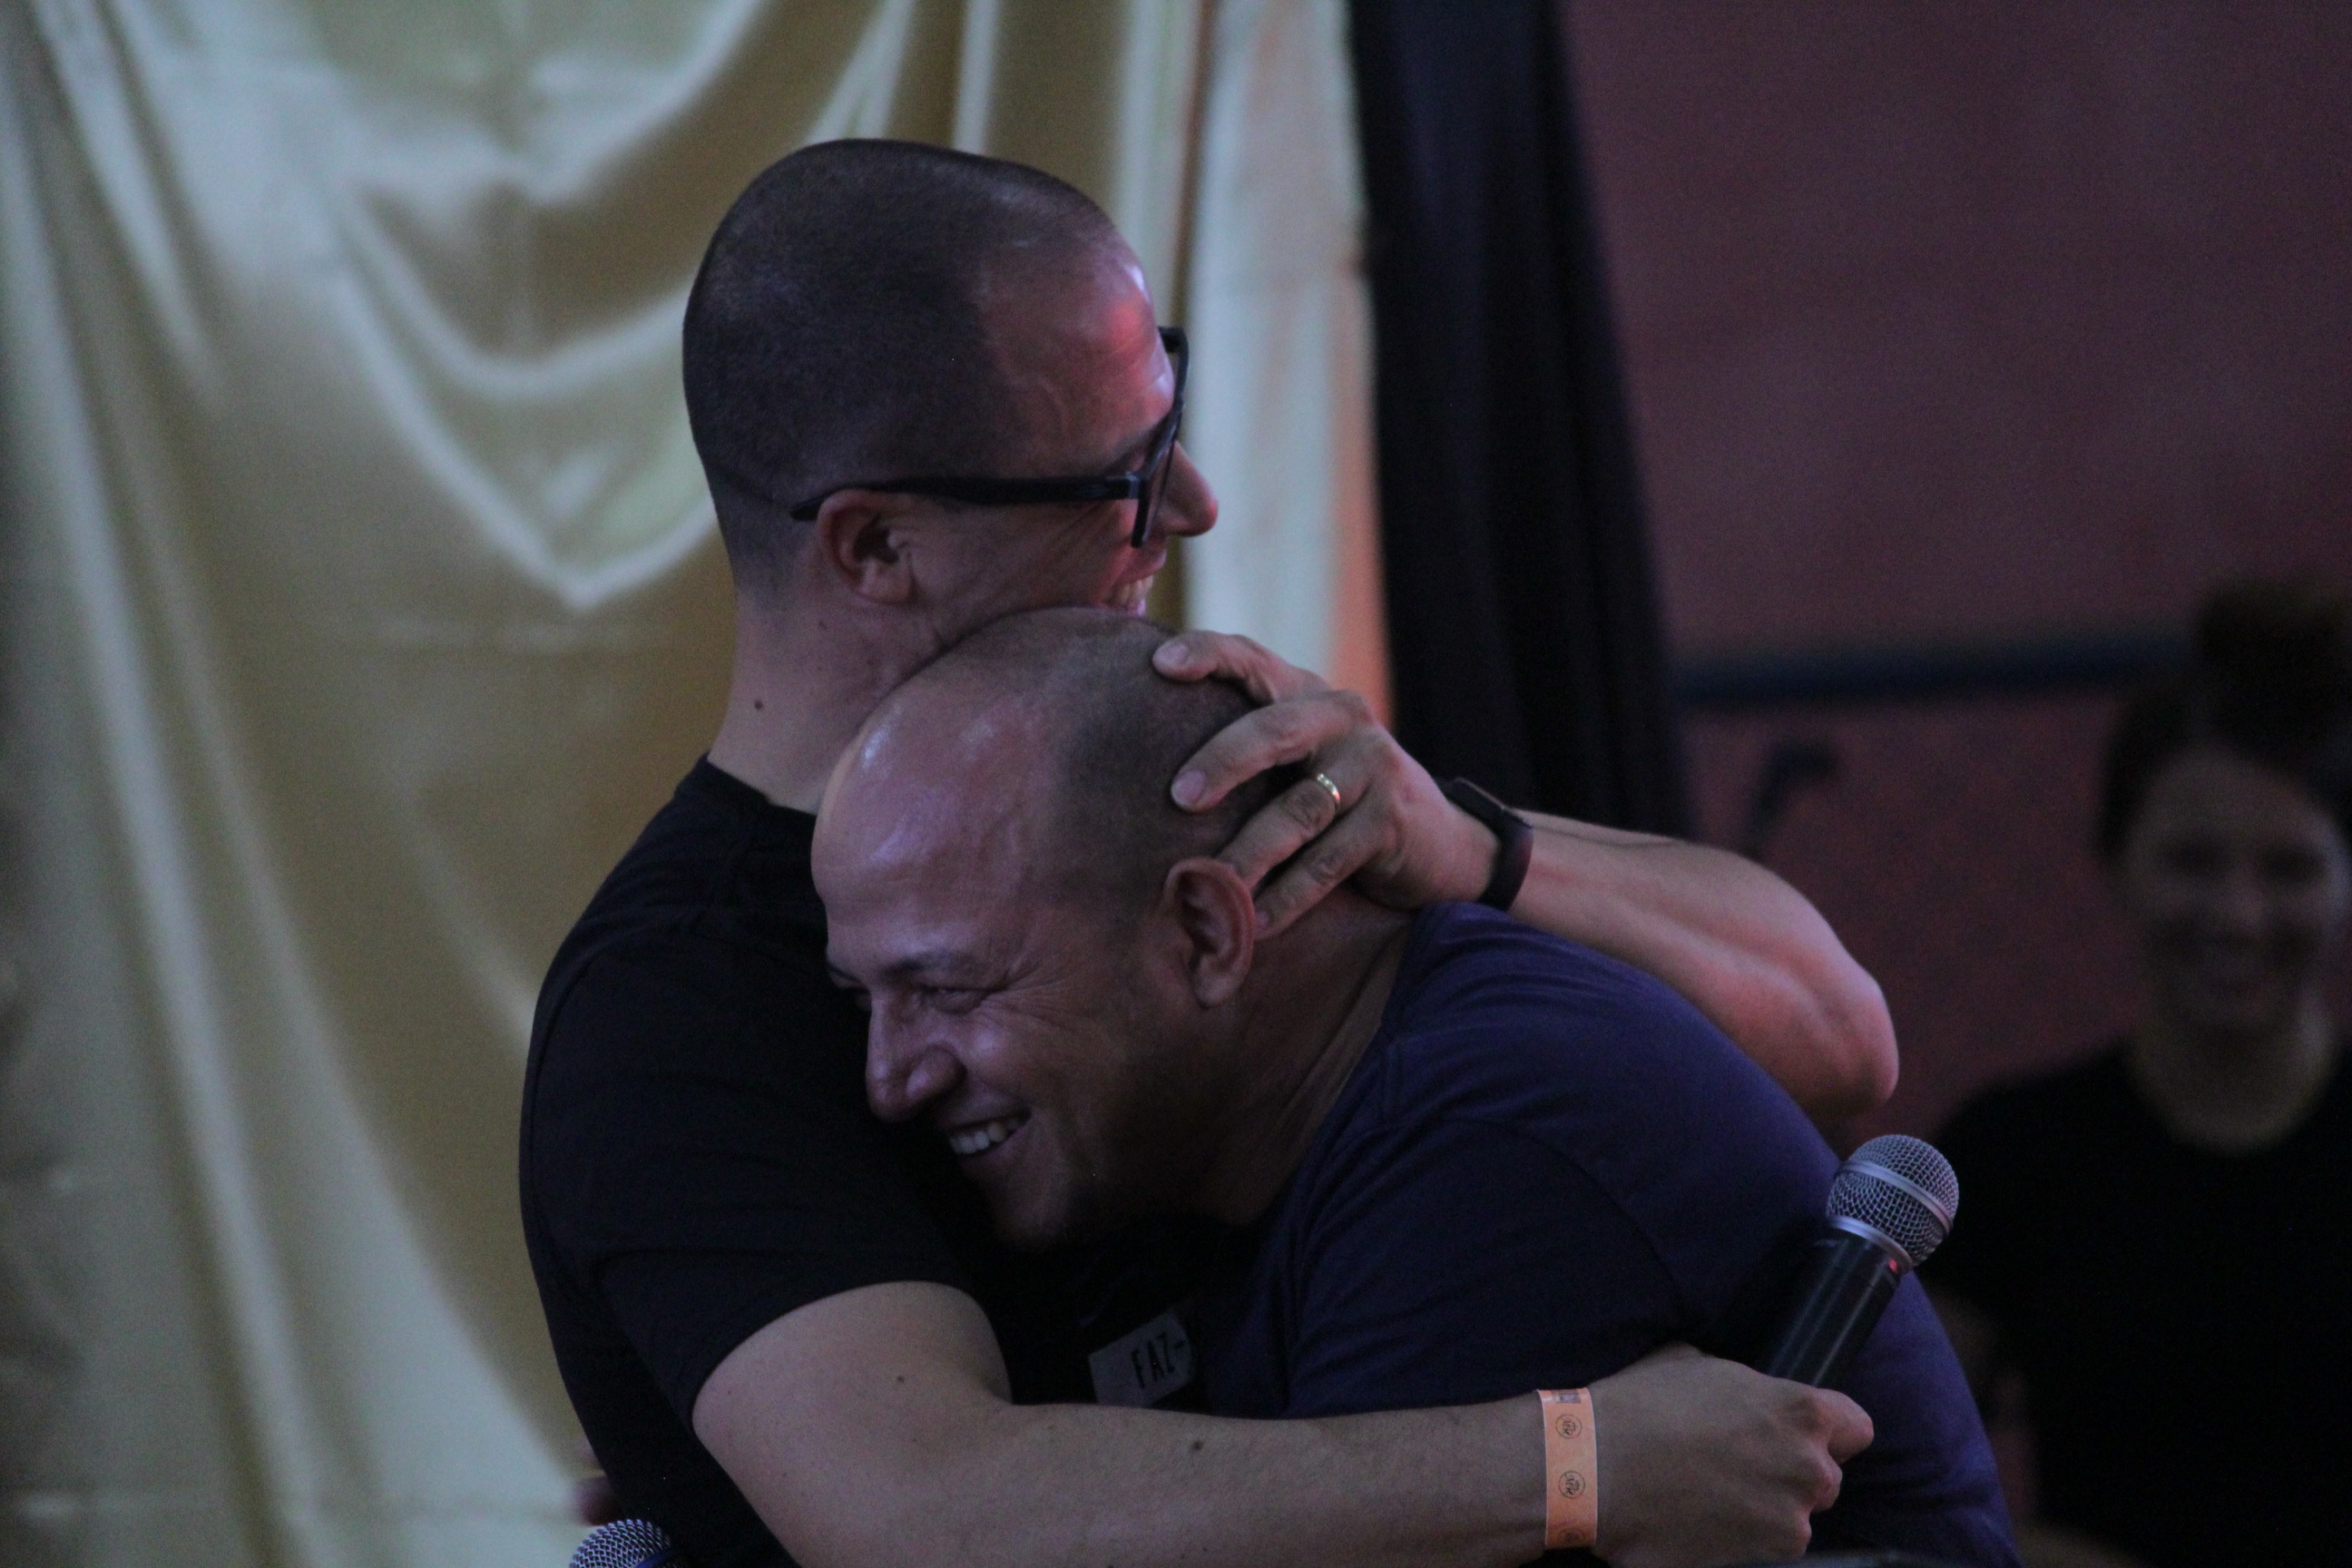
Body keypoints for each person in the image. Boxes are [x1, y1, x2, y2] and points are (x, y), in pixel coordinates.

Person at [523, 138, 1901, 1568]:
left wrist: (1467, 842)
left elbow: (1840, 1044)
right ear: (877, 547)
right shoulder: (677, 1011)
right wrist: (1574, 1464)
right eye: (1120, 475)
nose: (1189, 509)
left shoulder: (1190, 769)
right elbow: (925, 1516)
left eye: (1166, 426)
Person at [813, 607, 2019, 1567]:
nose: (889, 1081)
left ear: (1208, 934)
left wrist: (1563, 1467)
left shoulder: (1485, 1142)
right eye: (864, 1001)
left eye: (951, 987)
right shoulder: (1220, 1127)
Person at [1929, 582, 2352, 1568]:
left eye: (2289, 869)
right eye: (2193, 862)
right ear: (2117, 861)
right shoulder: (2015, 1153)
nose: (2238, 915)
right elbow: (1894, 1478)